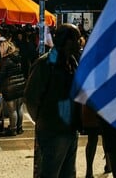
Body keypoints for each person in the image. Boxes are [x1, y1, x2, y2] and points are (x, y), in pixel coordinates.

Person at [25, 23, 82, 178]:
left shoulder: (72, 62)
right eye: (76, 40)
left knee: (69, 173)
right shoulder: (45, 64)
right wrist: (43, 120)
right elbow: (31, 98)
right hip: (53, 130)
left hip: (70, 129)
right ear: (66, 41)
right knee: (50, 173)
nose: (79, 43)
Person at [0, 38, 26, 136]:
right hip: (21, 85)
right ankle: (19, 128)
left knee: (12, 109)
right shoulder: (18, 57)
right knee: (19, 108)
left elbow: (2, 74)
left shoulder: (5, 60)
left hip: (10, 87)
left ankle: (13, 129)